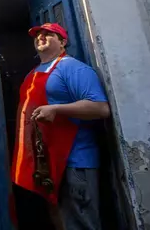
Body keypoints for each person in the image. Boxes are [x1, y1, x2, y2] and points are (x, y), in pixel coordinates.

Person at [11, 22, 110, 230]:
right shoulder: (32, 74)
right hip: (47, 165)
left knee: (80, 222)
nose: (41, 37)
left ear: (63, 42)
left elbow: (100, 108)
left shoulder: (72, 68)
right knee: (60, 220)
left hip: (74, 161)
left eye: (49, 34)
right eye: (38, 35)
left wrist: (56, 110)